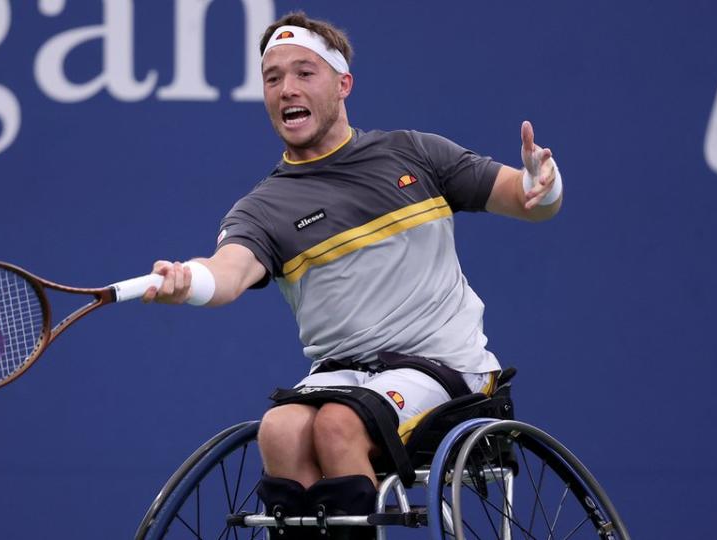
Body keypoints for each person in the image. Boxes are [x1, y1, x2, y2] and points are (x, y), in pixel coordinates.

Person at [141, 11, 562, 539]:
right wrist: (189, 282)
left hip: (446, 369)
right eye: (273, 78)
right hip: (342, 374)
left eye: (303, 73)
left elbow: (527, 199)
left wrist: (542, 185)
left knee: (339, 423)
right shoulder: (263, 207)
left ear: (343, 84)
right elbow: (227, 272)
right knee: (280, 429)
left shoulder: (415, 154)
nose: (286, 89)